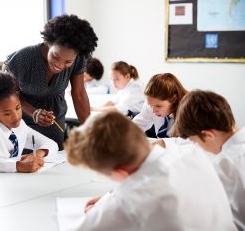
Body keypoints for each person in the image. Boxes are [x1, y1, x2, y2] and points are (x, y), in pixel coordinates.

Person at [64, 111, 237, 231]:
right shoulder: (193, 155)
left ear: (119, 172)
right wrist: (110, 197)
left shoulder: (128, 203)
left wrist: (99, 213)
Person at [2, 14, 98, 150]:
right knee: (24, 161)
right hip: (20, 120)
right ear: (49, 43)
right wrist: (34, 112)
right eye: (55, 56)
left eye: (68, 62)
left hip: (54, 119)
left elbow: (79, 93)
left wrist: (89, 130)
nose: (59, 65)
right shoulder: (23, 58)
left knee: (53, 159)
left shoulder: (80, 58)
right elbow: (8, 96)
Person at [173, 90, 245, 230]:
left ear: (208, 135)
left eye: (195, 142)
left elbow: (229, 222)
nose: (198, 148)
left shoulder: (226, 164)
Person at [0, 73, 58, 173]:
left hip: (13, 180)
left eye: (18, 108)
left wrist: (36, 155)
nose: (16, 116)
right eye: (7, 113)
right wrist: (17, 165)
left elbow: (50, 143)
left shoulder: (19, 125)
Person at [133, 73, 187, 138]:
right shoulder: (152, 103)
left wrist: (162, 143)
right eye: (150, 104)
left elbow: (189, 142)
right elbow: (137, 125)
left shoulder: (188, 110)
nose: (153, 111)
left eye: (158, 106)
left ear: (174, 99)